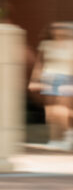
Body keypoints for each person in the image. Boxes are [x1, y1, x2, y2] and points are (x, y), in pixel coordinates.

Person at [28, 22, 73, 150]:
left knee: (63, 111)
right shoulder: (46, 45)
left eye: (61, 30)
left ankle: (68, 136)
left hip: (67, 78)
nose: (58, 32)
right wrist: (35, 80)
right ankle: (55, 139)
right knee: (51, 112)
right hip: (50, 78)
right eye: (56, 30)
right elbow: (39, 63)